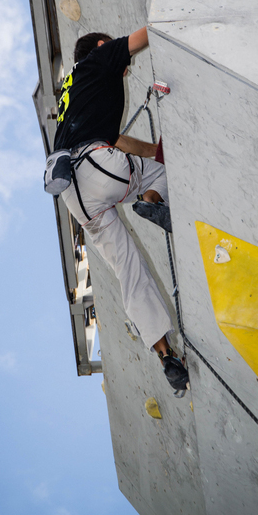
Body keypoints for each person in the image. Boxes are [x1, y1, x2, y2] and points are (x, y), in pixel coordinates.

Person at [54, 26, 189, 393]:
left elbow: (118, 141)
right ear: (101, 46)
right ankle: (150, 202)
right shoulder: (97, 60)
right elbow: (143, 36)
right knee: (159, 174)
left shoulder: (74, 94)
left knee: (128, 268)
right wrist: (169, 23)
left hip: (74, 196)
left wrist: (152, 150)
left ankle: (165, 354)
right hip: (96, 165)